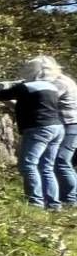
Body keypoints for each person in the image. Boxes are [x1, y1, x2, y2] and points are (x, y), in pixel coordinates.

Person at [0, 56, 69, 210]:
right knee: (46, 166)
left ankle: (35, 202)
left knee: (28, 164)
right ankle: (53, 204)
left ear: (30, 71)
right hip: (57, 128)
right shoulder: (51, 87)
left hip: (38, 128)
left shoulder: (26, 87)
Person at [54, 63, 77, 209]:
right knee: (64, 162)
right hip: (67, 125)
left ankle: (70, 199)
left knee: (61, 160)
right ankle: (68, 197)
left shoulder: (59, 83)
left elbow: (43, 100)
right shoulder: (62, 80)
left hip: (70, 125)